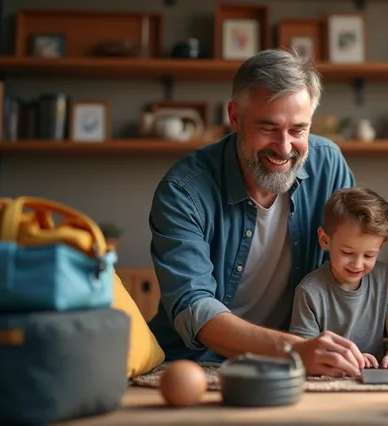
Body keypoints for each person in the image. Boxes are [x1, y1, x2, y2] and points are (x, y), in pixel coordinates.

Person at [147, 49, 367, 378]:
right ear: (234, 117)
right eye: (268, 128)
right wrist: (294, 349)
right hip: (196, 364)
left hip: (299, 362)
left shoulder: (329, 166)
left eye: (298, 130)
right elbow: (194, 307)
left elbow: (346, 272)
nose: (284, 147)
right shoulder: (183, 191)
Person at [289, 188, 388, 372]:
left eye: (369, 255)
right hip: (330, 377)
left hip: (375, 378)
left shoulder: (384, 277)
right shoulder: (309, 292)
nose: (357, 264)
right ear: (324, 240)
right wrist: (352, 360)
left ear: (381, 246)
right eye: (347, 253)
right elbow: (306, 351)